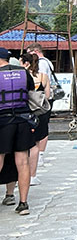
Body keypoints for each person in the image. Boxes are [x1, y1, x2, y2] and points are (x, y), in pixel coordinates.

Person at [0, 47, 35, 215]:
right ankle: (23, 203)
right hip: (23, 120)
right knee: (23, 162)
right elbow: (30, 91)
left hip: (3, 121)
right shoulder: (23, 72)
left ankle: (10, 195)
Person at [22, 51, 50, 186]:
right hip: (40, 110)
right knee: (37, 143)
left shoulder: (23, 76)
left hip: (24, 111)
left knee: (24, 146)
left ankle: (20, 175)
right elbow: (48, 94)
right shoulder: (43, 76)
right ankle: (33, 174)